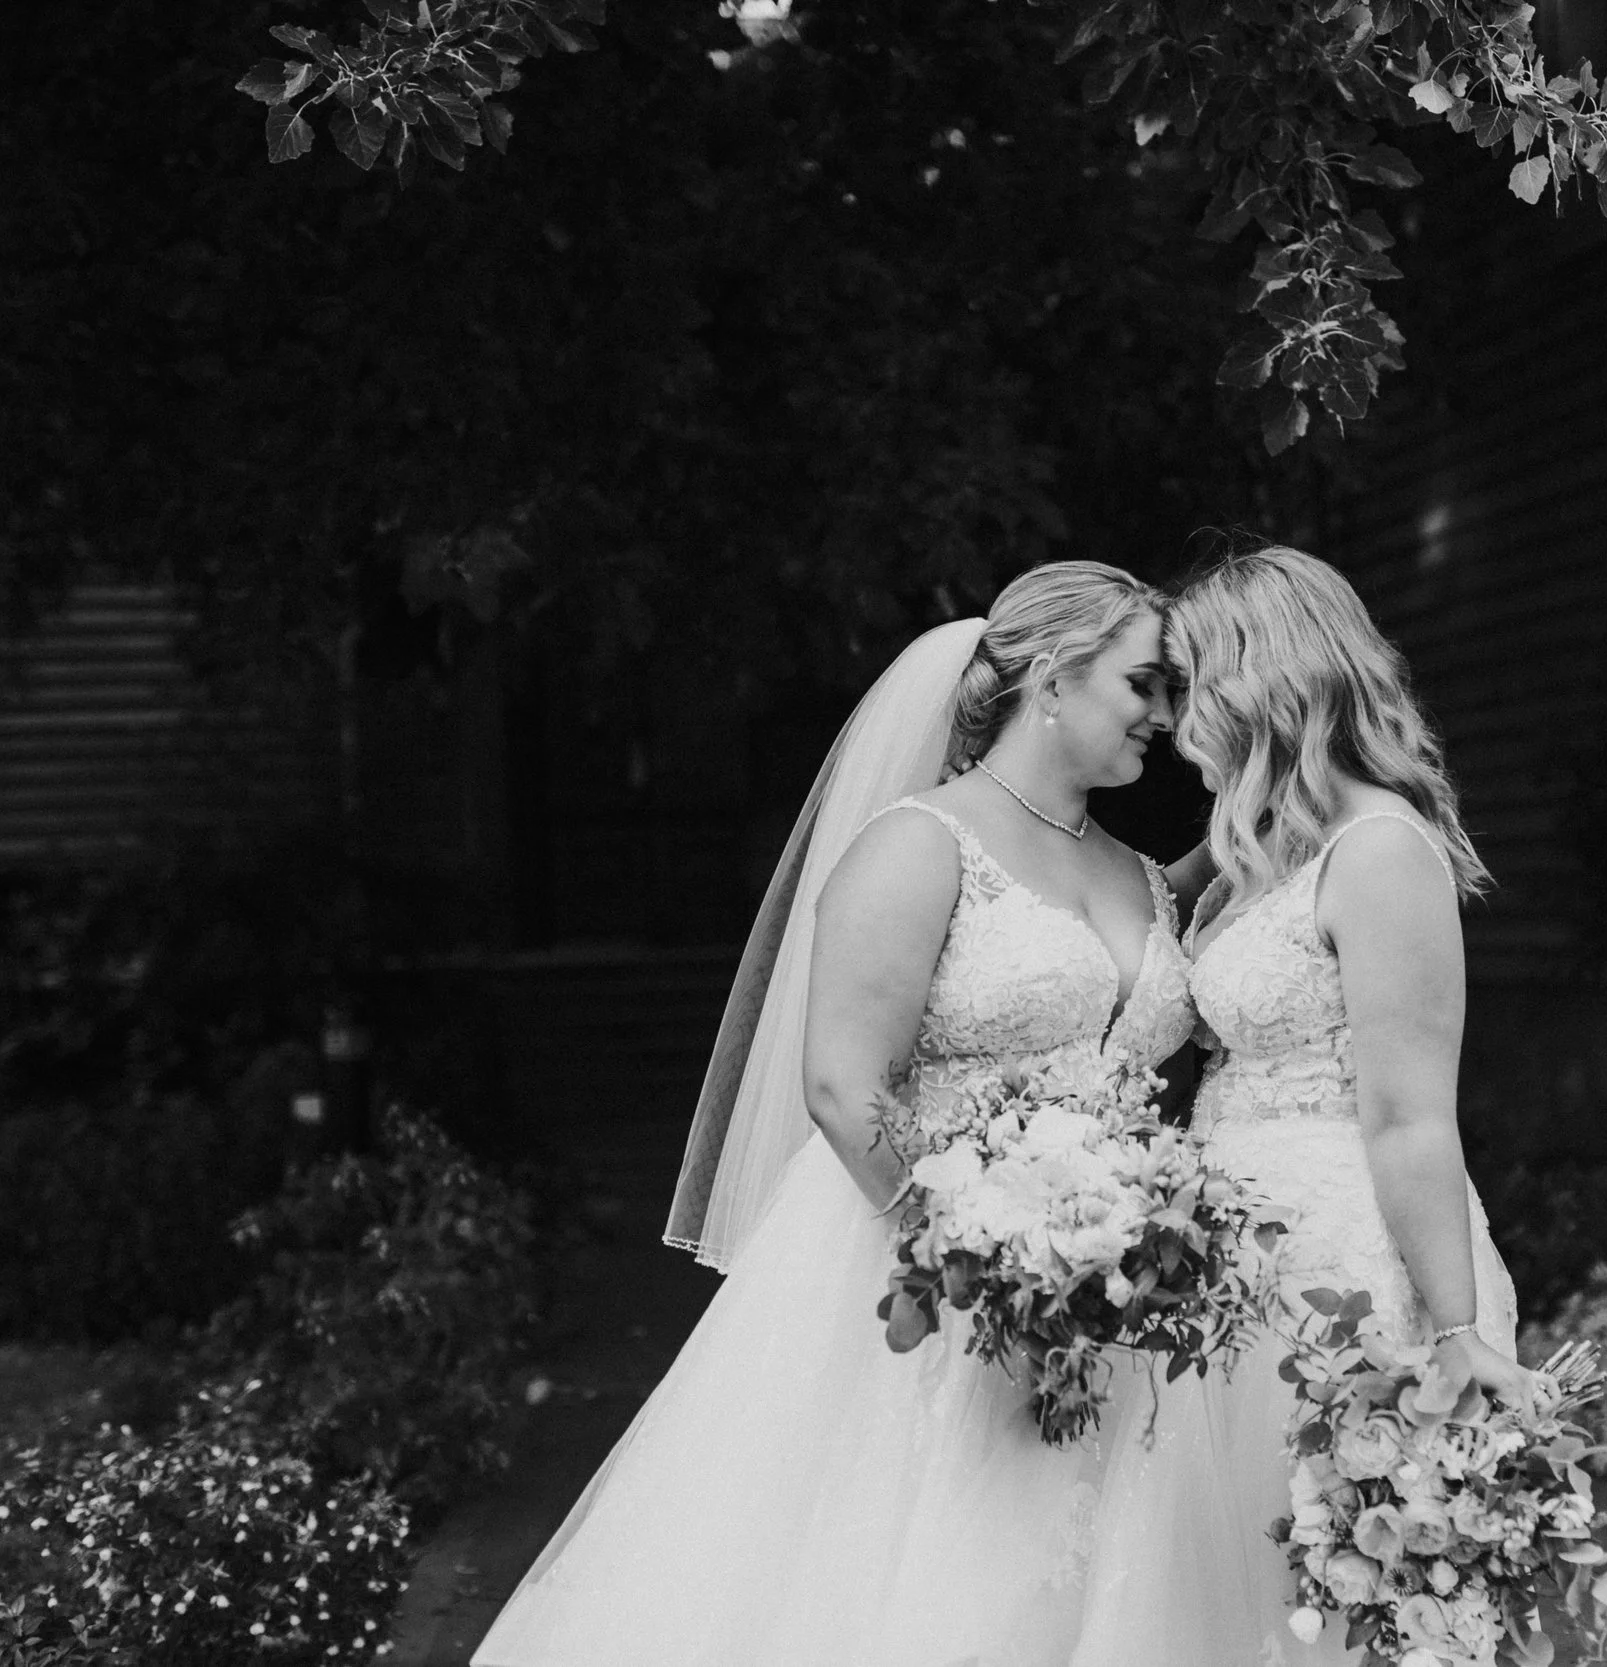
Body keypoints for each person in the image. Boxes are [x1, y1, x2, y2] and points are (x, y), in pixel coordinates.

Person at [474, 560, 1197, 1667]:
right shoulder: (921, 842)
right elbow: (842, 1083)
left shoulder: (1143, 876)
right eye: (1144, 683)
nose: (1165, 715)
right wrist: (984, 1265)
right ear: (1054, 676)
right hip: (937, 1284)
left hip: (1115, 1295)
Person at [1069, 543, 1527, 1666]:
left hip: (1345, 1262)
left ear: (1254, 683)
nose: (1171, 716)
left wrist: (1456, 1331)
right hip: (1230, 1267)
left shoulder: (1379, 851)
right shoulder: (1254, 846)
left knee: (1334, 1584)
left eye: (1186, 684)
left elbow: (1410, 1117)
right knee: (1223, 1590)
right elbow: (1099, 899)